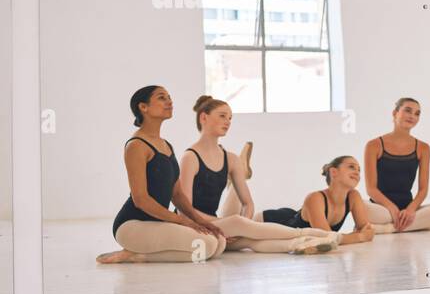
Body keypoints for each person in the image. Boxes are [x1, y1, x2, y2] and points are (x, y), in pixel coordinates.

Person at [181, 95, 337, 254]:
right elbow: (184, 211)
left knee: (249, 240)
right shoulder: (190, 157)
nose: (227, 121)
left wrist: (244, 226)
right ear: (203, 117)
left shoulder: (231, 159)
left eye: (230, 118)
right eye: (222, 116)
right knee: (236, 222)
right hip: (195, 226)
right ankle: (309, 233)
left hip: (219, 226)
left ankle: (300, 244)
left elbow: (248, 203)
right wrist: (230, 224)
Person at [97, 85, 227, 264]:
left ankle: (139, 254)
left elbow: (177, 194)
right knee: (205, 246)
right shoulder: (136, 146)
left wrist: (199, 220)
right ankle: (135, 254)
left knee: (219, 243)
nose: (169, 101)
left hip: (157, 222)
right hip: (132, 225)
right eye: (161, 98)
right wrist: (182, 221)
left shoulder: (166, 145)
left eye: (169, 97)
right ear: (143, 107)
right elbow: (140, 199)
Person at [258, 156, 375, 247]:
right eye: (351, 167)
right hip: (269, 220)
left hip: (292, 218)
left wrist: (359, 235)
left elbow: (366, 230)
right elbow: (328, 237)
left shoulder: (353, 196)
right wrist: (360, 237)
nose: (357, 172)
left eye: (359, 170)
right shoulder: (315, 198)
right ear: (334, 172)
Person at [364, 97, 430, 234]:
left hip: (408, 209)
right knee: (360, 205)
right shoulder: (374, 145)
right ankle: (413, 225)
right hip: (381, 209)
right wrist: (391, 208)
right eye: (408, 111)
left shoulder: (423, 148)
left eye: (417, 113)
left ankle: (387, 228)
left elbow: (423, 190)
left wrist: (411, 209)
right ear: (395, 113)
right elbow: (371, 189)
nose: (412, 116)